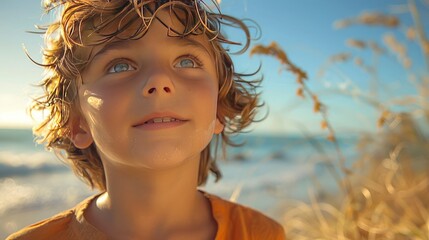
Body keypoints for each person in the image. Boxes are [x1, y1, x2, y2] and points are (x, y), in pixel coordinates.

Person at [7, 0, 286, 239]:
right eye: (120, 65)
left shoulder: (261, 233)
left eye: (187, 61)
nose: (160, 80)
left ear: (218, 110)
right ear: (77, 122)